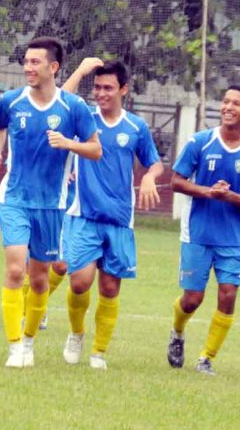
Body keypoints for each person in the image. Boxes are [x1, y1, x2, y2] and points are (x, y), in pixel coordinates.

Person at [0, 37, 102, 368]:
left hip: (52, 204)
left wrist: (69, 143)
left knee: (39, 278)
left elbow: (95, 149)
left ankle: (28, 341)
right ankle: (13, 348)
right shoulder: (12, 101)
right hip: (14, 198)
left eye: (35, 62)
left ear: (53, 67)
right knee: (14, 268)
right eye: (25, 61)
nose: (27, 67)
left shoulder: (74, 108)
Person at [59, 59, 163, 369]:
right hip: (84, 214)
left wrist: (148, 177)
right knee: (79, 282)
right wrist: (80, 71)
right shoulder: (83, 119)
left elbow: (154, 162)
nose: (101, 93)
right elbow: (60, 101)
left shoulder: (135, 127)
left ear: (124, 90)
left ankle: (98, 353)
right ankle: (76, 333)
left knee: (109, 287)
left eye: (108, 88)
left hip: (119, 218)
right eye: (98, 87)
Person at [166, 85, 240, 376]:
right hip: (197, 233)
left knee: (228, 295)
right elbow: (176, 181)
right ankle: (177, 332)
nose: (228, 107)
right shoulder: (200, 142)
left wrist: (231, 196)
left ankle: (206, 358)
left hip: (232, 238)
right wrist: (207, 192)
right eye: (225, 101)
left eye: (236, 103)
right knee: (192, 299)